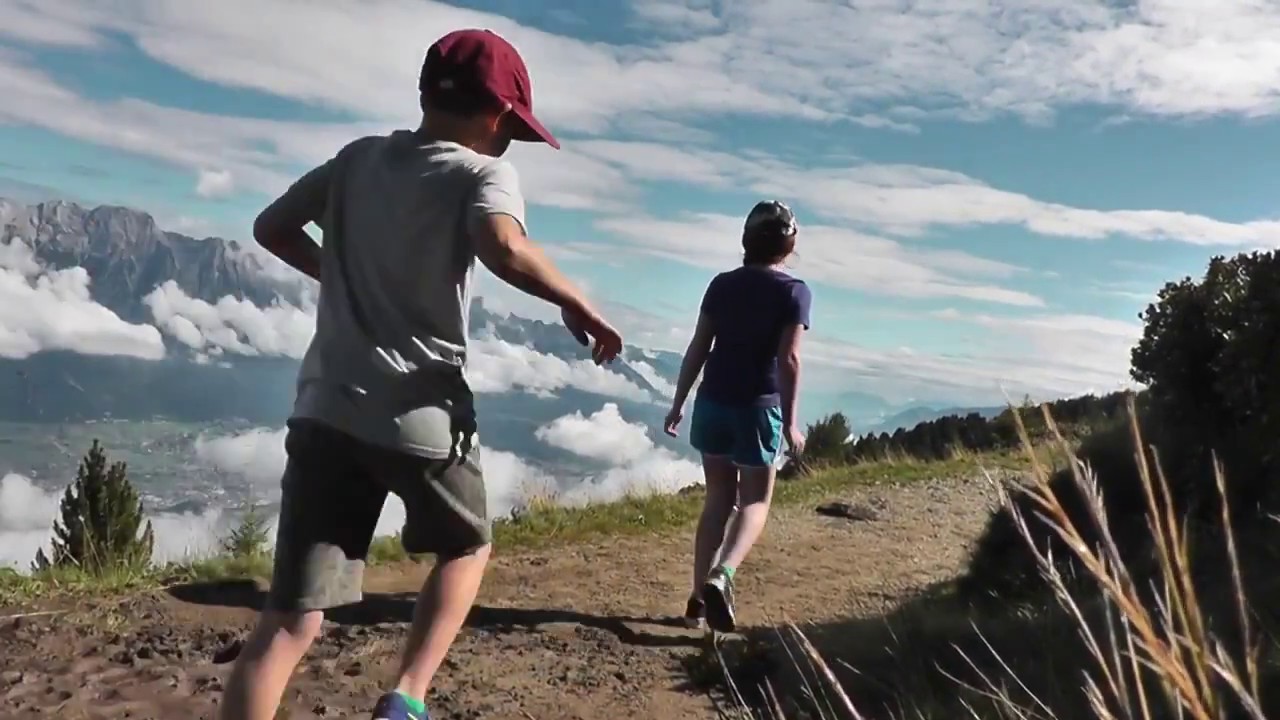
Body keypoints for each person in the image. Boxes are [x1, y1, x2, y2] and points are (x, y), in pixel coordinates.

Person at [217, 28, 622, 720]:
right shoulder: (482, 173)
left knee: (287, 623)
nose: (510, 144)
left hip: (323, 412)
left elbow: (271, 227)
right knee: (467, 546)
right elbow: (502, 245)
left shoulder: (354, 161)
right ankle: (406, 696)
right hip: (419, 416)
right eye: (513, 131)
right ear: (497, 116)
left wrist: (336, 277)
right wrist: (575, 298)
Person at [663, 200, 810, 633]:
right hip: (757, 409)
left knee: (717, 500)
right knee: (756, 501)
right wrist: (790, 421)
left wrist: (678, 402)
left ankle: (696, 602)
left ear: (745, 241)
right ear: (789, 246)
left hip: (712, 402)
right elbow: (789, 360)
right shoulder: (794, 292)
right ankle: (722, 576)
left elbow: (699, 347)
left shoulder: (721, 285)